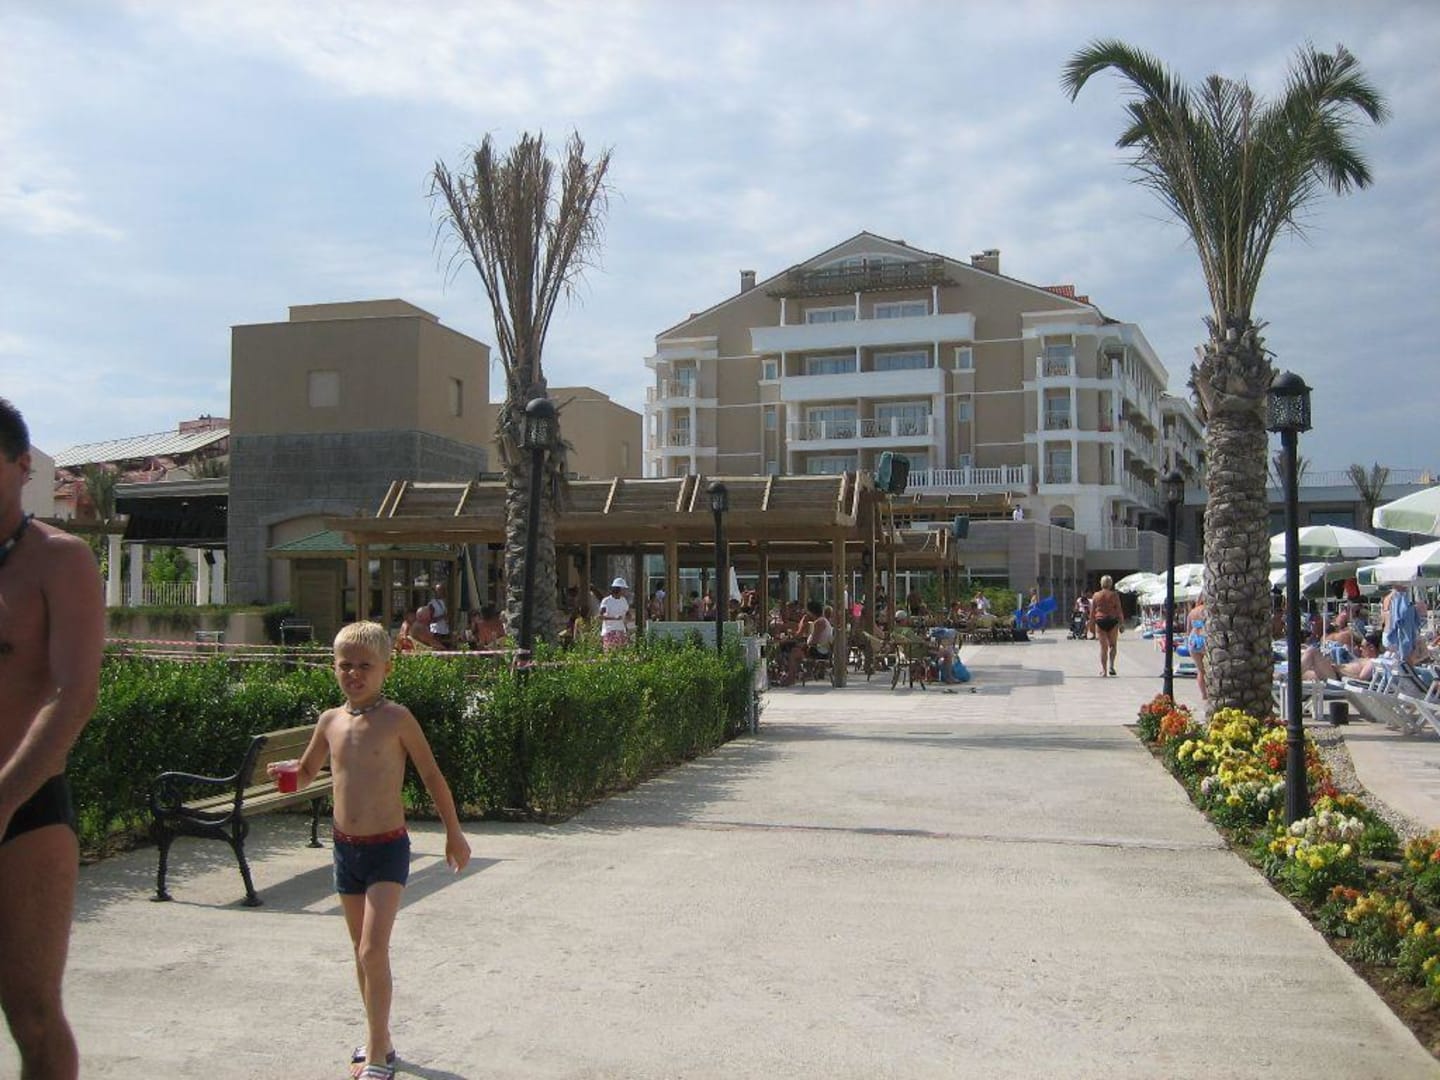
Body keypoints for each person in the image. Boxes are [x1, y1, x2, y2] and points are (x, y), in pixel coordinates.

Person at [268, 621, 470, 1079]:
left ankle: (377, 1055)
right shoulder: (330, 721)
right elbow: (308, 773)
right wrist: (289, 772)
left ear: (386, 669)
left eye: (365, 666)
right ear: (333, 667)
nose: (354, 674)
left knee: (372, 950)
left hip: (387, 849)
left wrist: (453, 833)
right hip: (346, 850)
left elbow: (432, 775)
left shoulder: (397, 719)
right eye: (345, 665)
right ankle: (382, 1038)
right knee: (361, 953)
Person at [0, 396, 105, 1080]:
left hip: (25, 812)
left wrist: (4, 799)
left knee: (34, 1016)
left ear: (20, 467)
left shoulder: (58, 561)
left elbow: (73, 695)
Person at [1091, 575, 1124, 677]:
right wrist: (1122, 623)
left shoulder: (1096, 595)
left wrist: (1091, 625)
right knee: (1113, 645)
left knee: (1103, 648)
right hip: (1112, 620)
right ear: (1110, 583)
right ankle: (1111, 666)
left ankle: (1104, 671)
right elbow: (1119, 610)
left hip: (1100, 620)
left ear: (1101, 583)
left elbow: (1092, 612)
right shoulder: (1114, 595)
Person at [598, 577, 633, 651]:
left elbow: (627, 613)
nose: (625, 591)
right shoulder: (606, 601)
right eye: (623, 589)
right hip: (609, 631)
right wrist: (614, 618)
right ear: (618, 589)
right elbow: (600, 616)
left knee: (621, 653)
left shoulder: (623, 600)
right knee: (610, 652)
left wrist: (629, 617)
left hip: (621, 630)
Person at [411, 584, 450, 650]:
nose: (442, 592)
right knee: (436, 644)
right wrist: (442, 617)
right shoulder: (432, 604)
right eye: (439, 591)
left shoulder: (443, 602)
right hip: (436, 629)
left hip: (444, 628)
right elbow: (430, 619)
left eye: (443, 590)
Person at [1185, 595, 1208, 699]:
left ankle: (1204, 694)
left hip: (1193, 640)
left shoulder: (1192, 612)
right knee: (1209, 668)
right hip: (1204, 638)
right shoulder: (1206, 610)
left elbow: (1188, 630)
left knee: (1200, 670)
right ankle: (1210, 692)